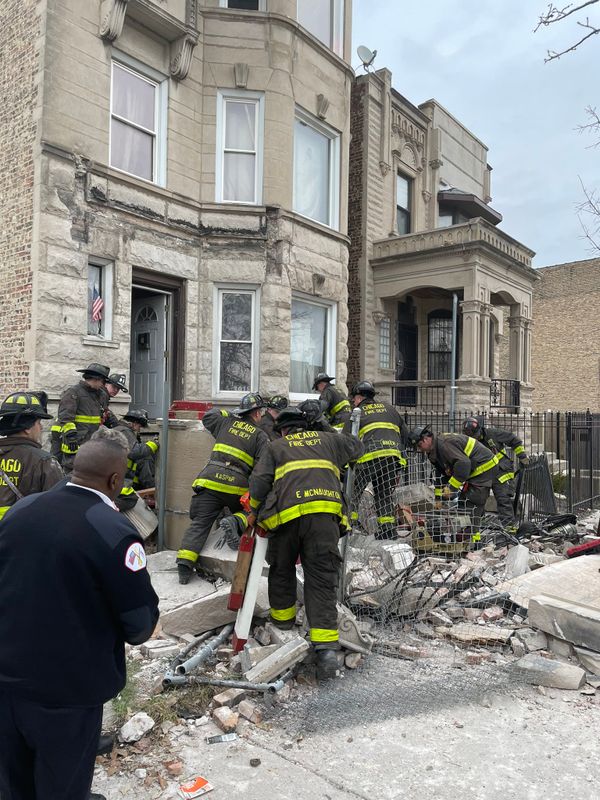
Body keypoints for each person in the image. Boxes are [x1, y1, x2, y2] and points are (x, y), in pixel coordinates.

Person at [0, 437, 159, 800]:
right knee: (63, 787)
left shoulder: (22, 510)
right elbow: (139, 627)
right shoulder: (114, 531)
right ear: (115, 481)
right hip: (67, 692)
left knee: (12, 783)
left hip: (6, 677)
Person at [248, 407, 363, 680]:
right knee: (321, 577)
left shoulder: (276, 447)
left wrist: (253, 511)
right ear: (307, 425)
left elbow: (259, 483)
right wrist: (324, 424)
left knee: (282, 568)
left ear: (283, 430)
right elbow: (356, 447)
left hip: (285, 518)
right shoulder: (329, 440)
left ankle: (283, 622)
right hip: (324, 519)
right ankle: (325, 652)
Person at [176, 393, 269, 584]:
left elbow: (208, 416)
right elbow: (261, 469)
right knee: (254, 512)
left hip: (210, 482)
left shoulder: (225, 423)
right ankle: (236, 521)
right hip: (236, 488)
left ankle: (184, 566)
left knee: (200, 524)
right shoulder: (260, 436)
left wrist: (230, 414)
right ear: (258, 414)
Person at [407, 425, 499, 545]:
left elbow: (463, 464)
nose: (420, 450)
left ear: (425, 439)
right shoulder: (434, 451)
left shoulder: (445, 445)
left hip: (485, 467)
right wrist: (439, 500)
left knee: (471, 503)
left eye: (419, 446)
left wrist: (451, 488)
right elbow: (441, 475)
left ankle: (474, 542)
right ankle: (468, 536)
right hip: (474, 469)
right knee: (464, 503)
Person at [344, 380, 408, 540]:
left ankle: (349, 528)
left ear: (359, 397)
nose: (353, 401)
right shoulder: (390, 409)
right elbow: (405, 434)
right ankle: (387, 530)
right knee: (384, 494)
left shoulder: (357, 413)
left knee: (352, 492)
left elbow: (345, 441)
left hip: (368, 458)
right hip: (392, 458)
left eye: (354, 398)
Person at [0, 392, 63, 520]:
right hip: (21, 536)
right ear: (27, 428)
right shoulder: (45, 462)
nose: (40, 427)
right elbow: (58, 509)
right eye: (39, 422)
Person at [462, 416, 529, 531]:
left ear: (481, 429)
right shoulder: (468, 442)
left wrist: (522, 457)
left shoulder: (493, 434)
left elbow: (514, 440)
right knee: (477, 499)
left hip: (501, 472)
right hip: (483, 474)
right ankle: (477, 525)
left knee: (503, 499)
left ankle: (509, 530)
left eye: (476, 435)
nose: (475, 438)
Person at [52, 363, 112, 472]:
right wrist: (71, 436)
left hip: (92, 442)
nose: (103, 385)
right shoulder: (74, 393)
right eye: (103, 381)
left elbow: (104, 413)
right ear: (95, 379)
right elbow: (65, 417)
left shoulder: (101, 395)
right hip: (74, 443)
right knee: (73, 471)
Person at [113, 409, 159, 512]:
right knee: (129, 500)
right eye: (139, 426)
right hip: (120, 483)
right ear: (134, 423)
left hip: (116, 478)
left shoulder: (118, 430)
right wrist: (153, 445)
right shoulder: (125, 431)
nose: (139, 430)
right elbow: (133, 452)